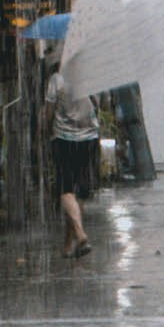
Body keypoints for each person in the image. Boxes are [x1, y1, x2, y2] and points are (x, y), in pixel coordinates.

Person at [50, 61, 99, 256]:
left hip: (64, 139)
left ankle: (80, 235)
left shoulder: (57, 79)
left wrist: (45, 132)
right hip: (89, 139)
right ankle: (69, 243)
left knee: (65, 190)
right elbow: (98, 105)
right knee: (77, 193)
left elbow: (48, 110)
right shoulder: (93, 77)